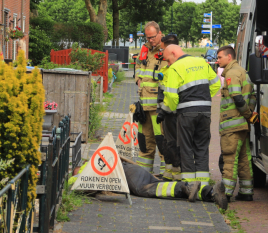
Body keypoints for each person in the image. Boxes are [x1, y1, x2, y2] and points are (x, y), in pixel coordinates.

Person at [161, 44, 221, 196]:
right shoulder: (202, 62)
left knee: (186, 148)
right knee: (201, 148)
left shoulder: (175, 68)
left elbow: (172, 95)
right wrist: (205, 99)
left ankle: (189, 187)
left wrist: (174, 108)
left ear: (174, 53)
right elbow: (216, 84)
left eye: (168, 60)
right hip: (205, 111)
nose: (168, 64)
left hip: (186, 113)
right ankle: (203, 189)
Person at [69, 160, 229, 209]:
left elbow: (73, 184)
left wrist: (72, 178)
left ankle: (184, 188)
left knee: (148, 189)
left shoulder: (86, 169)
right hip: (132, 170)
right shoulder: (98, 159)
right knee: (161, 185)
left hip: (128, 176)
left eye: (75, 172)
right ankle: (210, 193)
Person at [216, 45, 255, 201]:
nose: (217, 60)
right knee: (244, 159)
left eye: (219, 57)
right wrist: (249, 115)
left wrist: (245, 113)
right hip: (243, 126)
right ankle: (246, 192)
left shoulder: (231, 73)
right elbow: (252, 97)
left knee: (230, 158)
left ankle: (225, 193)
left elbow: (237, 97)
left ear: (229, 57)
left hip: (231, 124)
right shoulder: (243, 72)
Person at [133, 21, 166, 176]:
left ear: (159, 33)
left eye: (153, 37)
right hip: (144, 104)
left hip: (159, 107)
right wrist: (138, 79)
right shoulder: (145, 49)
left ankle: (167, 174)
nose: (150, 40)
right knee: (145, 141)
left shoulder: (167, 50)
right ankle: (144, 175)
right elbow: (138, 65)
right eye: (148, 37)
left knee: (162, 140)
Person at [157, 34, 181, 181]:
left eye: (163, 50)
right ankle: (169, 172)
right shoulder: (166, 68)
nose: (162, 54)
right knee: (167, 142)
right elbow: (162, 91)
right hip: (166, 111)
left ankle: (177, 174)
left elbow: (173, 94)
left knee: (174, 142)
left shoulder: (176, 68)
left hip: (174, 112)